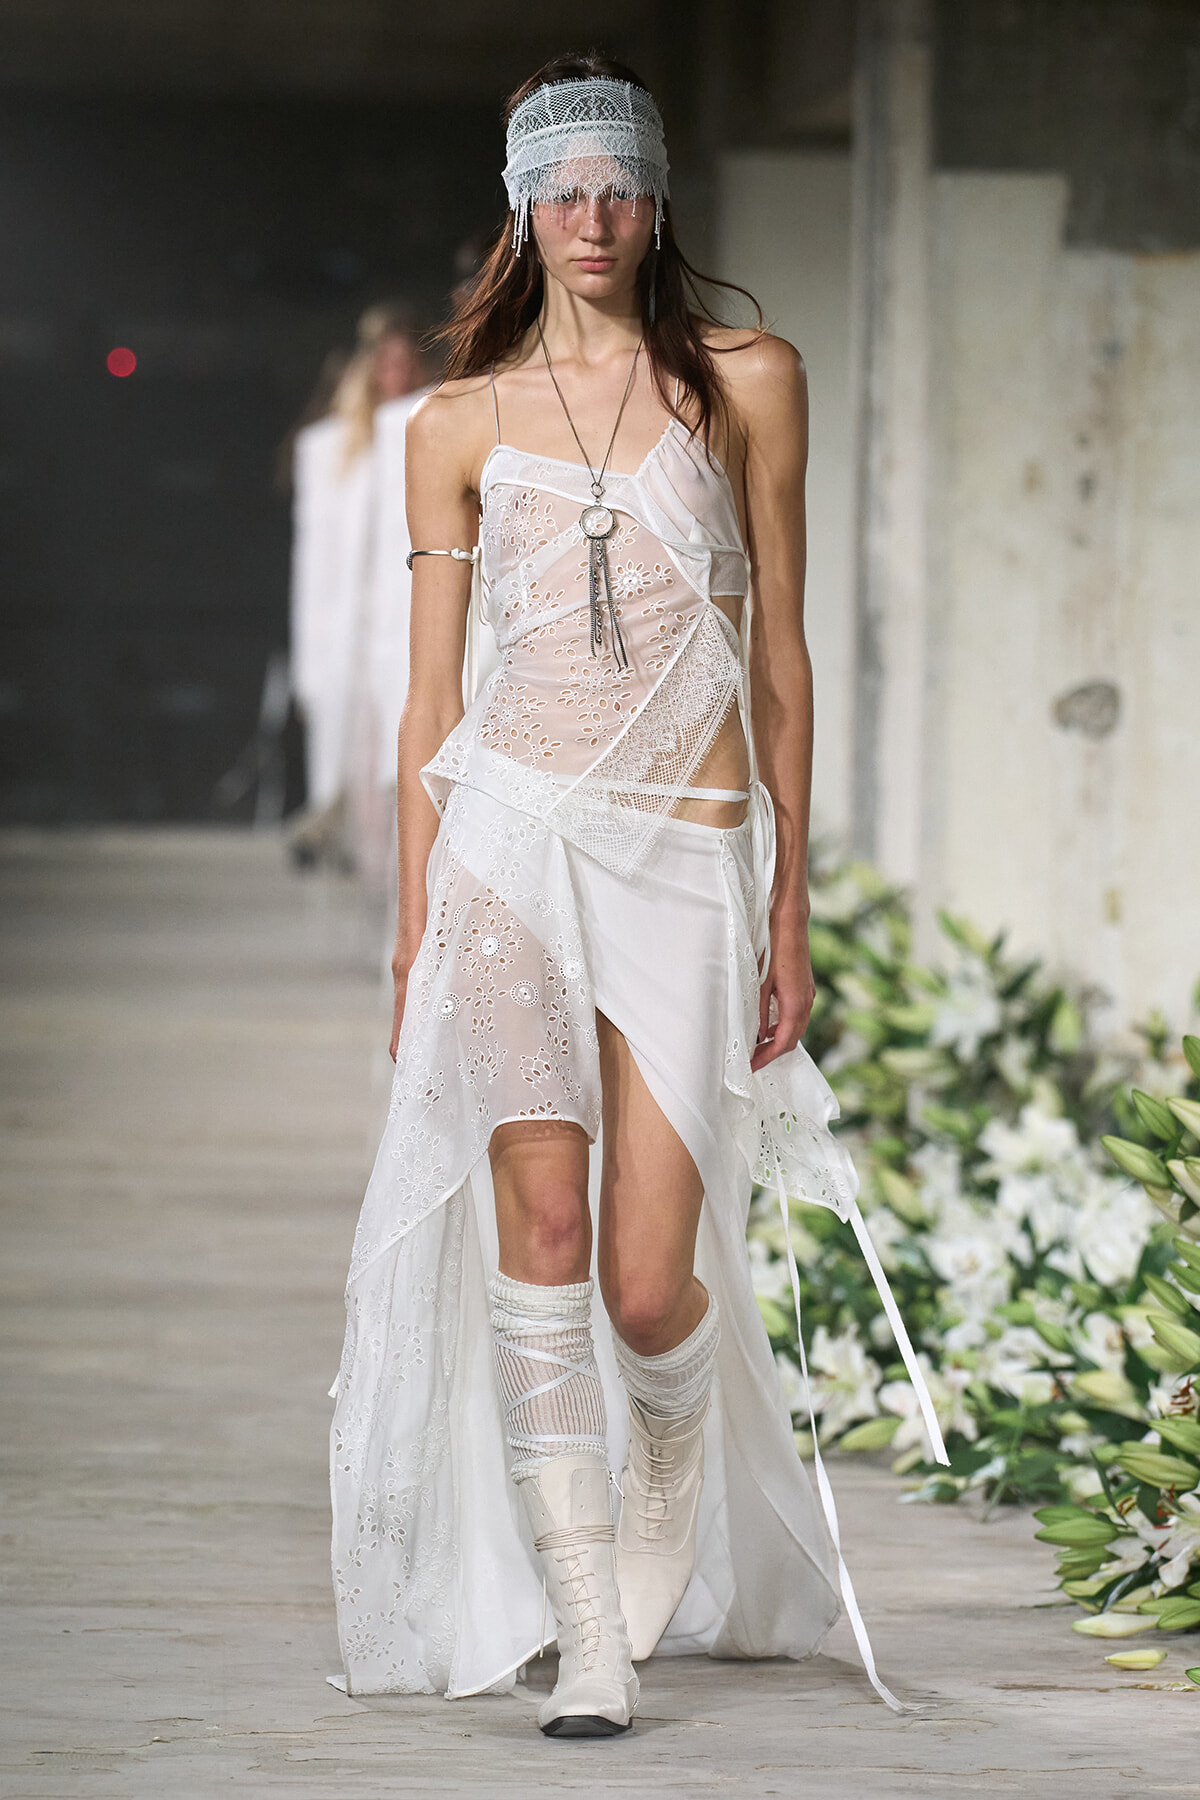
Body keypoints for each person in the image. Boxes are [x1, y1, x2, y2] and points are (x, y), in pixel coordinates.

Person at [329, 53, 945, 1737]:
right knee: (537, 1232)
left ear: (657, 201)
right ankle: (590, 1629)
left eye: (617, 187)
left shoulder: (747, 379)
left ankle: (668, 1440)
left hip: (686, 853)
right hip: (512, 851)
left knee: (645, 1280)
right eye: (559, 190)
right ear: (519, 214)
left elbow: (789, 654)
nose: (591, 218)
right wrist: (411, 932)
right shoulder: (453, 424)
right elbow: (429, 700)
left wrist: (791, 905)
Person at [288, 305, 425, 873]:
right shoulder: (329, 449)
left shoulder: (427, 427)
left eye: (405, 360)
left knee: (402, 767)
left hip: (407, 620)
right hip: (351, 629)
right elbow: (314, 560)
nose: (394, 374)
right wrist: (312, 657)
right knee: (359, 766)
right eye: (383, 361)